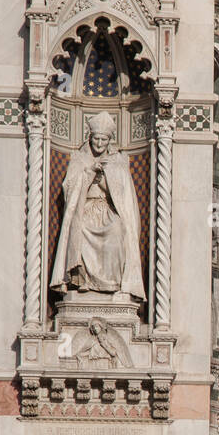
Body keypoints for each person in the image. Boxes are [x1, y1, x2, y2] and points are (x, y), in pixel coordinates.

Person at [50, 110, 145, 301]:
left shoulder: (118, 160)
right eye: (96, 139)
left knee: (118, 229)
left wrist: (105, 179)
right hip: (85, 210)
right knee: (81, 227)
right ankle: (84, 280)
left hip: (109, 210)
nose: (100, 144)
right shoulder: (79, 158)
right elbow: (69, 188)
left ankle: (113, 283)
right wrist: (90, 172)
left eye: (103, 140)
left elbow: (124, 194)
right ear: (90, 137)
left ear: (109, 140)